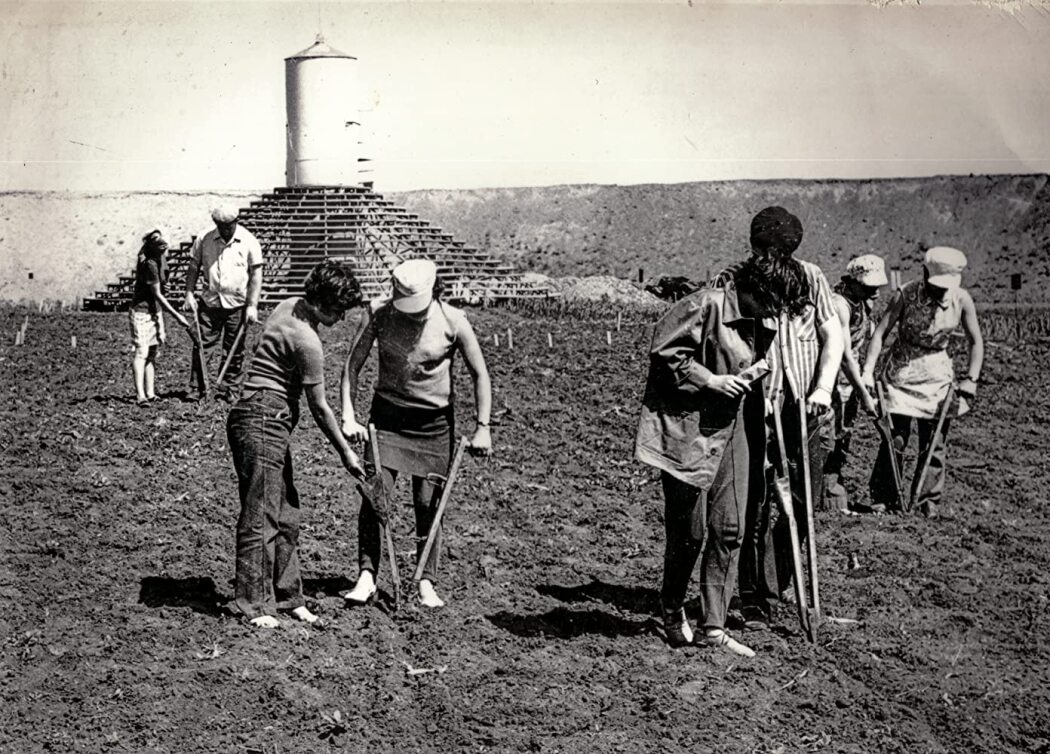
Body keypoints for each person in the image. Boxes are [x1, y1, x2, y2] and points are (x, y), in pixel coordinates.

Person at [635, 229, 816, 657]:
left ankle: (713, 627)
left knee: (731, 528)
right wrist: (711, 380)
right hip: (688, 430)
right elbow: (663, 353)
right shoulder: (706, 304)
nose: (778, 315)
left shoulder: (760, 317)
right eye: (775, 304)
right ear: (757, 289)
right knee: (689, 534)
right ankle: (671, 607)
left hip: (734, 430)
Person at [710, 206, 844, 631]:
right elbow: (718, 342)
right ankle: (747, 593)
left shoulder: (811, 276)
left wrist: (823, 387)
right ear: (755, 249)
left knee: (803, 497)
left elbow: (831, 332)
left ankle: (777, 584)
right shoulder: (732, 279)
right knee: (749, 502)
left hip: (805, 404)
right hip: (752, 403)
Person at [340, 258, 492, 609]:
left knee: (429, 505)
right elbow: (352, 365)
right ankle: (366, 575)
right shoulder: (378, 313)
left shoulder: (454, 321)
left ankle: (426, 580)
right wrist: (349, 415)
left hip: (433, 425)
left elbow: (479, 374)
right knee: (375, 497)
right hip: (388, 419)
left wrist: (483, 427)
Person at [226, 261, 365, 628]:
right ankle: (254, 605)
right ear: (319, 302)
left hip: (262, 417)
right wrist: (346, 452)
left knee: (286, 512)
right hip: (262, 418)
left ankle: (288, 597)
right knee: (261, 514)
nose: (339, 318)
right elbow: (319, 408)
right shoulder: (308, 342)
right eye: (336, 310)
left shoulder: (287, 304)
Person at [861, 246, 983, 518]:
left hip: (937, 377)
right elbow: (881, 333)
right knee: (896, 439)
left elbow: (976, 341)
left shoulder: (961, 300)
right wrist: (868, 370)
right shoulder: (906, 294)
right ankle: (885, 497)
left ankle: (927, 502)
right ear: (925, 273)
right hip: (901, 374)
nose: (940, 291)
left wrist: (971, 379)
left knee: (934, 443)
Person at [822, 254, 887, 509]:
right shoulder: (838, 305)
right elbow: (845, 357)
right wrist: (864, 393)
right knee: (827, 439)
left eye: (877, 289)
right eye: (870, 288)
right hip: (831, 382)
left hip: (848, 384)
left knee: (842, 437)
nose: (876, 294)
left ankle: (831, 495)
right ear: (853, 281)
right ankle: (821, 498)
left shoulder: (859, 303)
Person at [183, 204, 264, 401]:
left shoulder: (248, 241)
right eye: (221, 226)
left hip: (237, 304)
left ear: (236, 221)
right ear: (216, 224)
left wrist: (252, 305)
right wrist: (189, 293)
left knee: (234, 350)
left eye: (229, 225)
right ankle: (198, 388)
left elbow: (256, 275)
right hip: (210, 302)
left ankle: (230, 389)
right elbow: (193, 266)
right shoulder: (204, 239)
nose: (226, 229)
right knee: (202, 346)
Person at [128, 229, 193, 407]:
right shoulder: (150, 264)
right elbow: (157, 294)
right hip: (141, 311)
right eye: (158, 241)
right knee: (141, 352)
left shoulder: (161, 258)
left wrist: (161, 321)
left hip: (154, 311)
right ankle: (140, 395)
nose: (163, 245)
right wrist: (177, 316)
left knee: (152, 353)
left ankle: (150, 393)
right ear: (151, 245)